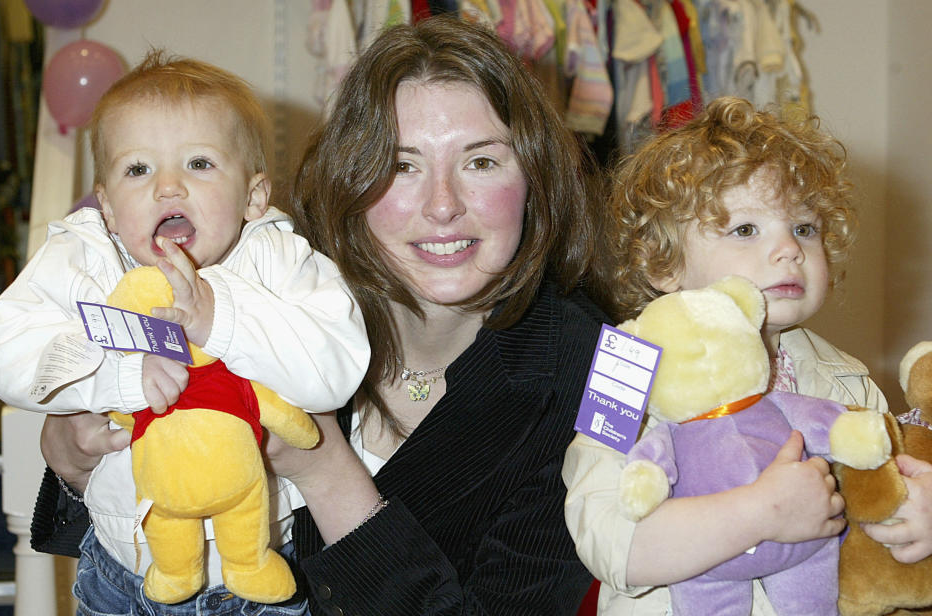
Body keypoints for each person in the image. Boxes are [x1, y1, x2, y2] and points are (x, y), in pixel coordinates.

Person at [31, 15, 619, 615]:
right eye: (402, 164)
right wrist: (73, 454)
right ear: (353, 179)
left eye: (481, 162)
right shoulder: (285, 289)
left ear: (535, 176)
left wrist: (328, 474)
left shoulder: (595, 374)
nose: (444, 205)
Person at [0, 51, 370, 614]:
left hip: (260, 571)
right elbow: (5, 349)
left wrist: (218, 317)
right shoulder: (83, 259)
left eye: (199, 164)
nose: (167, 187)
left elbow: (336, 365)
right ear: (108, 206)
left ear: (254, 196)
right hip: (123, 573)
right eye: (138, 170)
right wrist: (118, 373)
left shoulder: (278, 259)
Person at [562, 96, 920, 615]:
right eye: (746, 229)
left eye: (804, 228)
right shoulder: (627, 364)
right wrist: (758, 514)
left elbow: (883, 502)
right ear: (665, 264)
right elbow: (603, 536)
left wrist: (918, 519)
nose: (789, 250)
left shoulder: (848, 379)